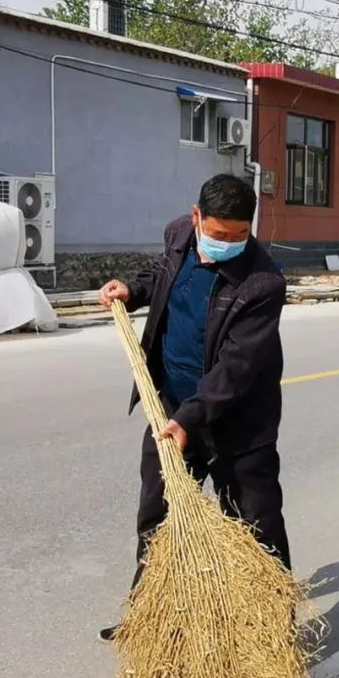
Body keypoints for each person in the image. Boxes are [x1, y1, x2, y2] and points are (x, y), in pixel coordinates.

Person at [97, 174, 290, 641]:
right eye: (219, 234)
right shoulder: (180, 235)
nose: (228, 244)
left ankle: (273, 631)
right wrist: (132, 290)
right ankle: (147, 618)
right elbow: (162, 276)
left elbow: (237, 369)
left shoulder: (263, 283)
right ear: (197, 216)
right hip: (170, 409)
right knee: (157, 519)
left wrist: (191, 418)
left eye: (239, 236)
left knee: (255, 528)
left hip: (237, 425)